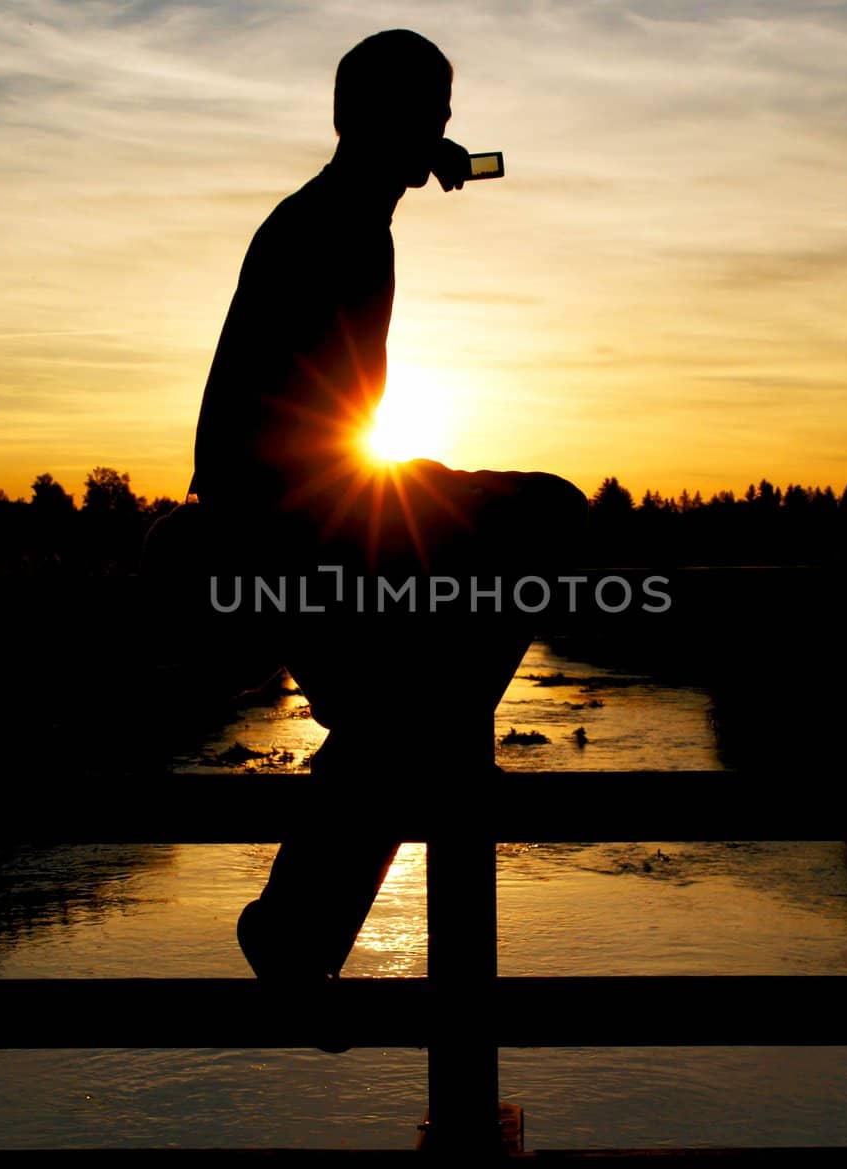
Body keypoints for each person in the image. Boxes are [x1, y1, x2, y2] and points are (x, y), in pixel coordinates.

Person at [185, 29, 585, 987]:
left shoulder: (338, 210)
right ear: (375, 120)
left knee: (399, 721)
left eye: (446, 119)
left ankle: (303, 922)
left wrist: (425, 160)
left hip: (316, 497)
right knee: (548, 519)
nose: (444, 134)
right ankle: (313, 906)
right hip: (300, 514)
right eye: (430, 116)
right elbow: (285, 429)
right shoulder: (336, 227)